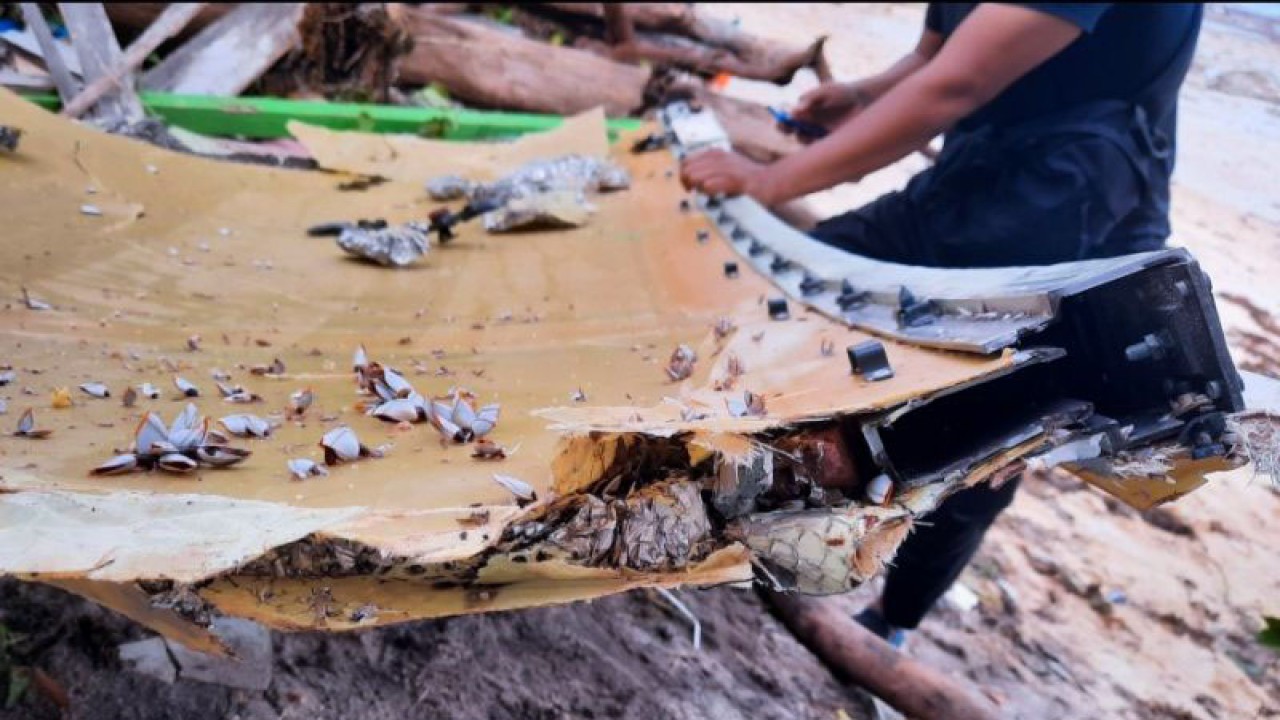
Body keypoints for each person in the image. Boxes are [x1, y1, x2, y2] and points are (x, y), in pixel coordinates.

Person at [680, 3, 1203, 647]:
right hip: (977, 172)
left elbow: (957, 84)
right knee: (781, 300)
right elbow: (933, 58)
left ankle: (892, 623)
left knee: (976, 440)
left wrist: (768, 180)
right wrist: (863, 96)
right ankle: (736, 506)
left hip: (1076, 209)